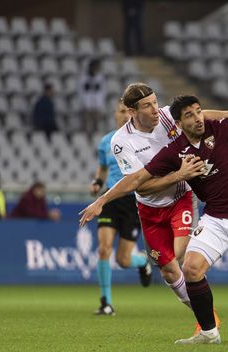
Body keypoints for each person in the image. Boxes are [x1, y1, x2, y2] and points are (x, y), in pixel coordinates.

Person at [79, 95, 228, 345]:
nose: (198, 118)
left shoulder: (223, 128)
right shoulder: (174, 152)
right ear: (178, 124)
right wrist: (101, 201)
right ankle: (208, 331)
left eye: (198, 112)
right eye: (190, 115)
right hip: (216, 218)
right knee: (191, 269)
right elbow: (137, 180)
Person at [96, 82, 228, 331]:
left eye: (154, 102)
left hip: (181, 198)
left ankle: (204, 321)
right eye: (147, 106)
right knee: (169, 272)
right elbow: (141, 186)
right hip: (149, 208)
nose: (155, 109)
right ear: (132, 111)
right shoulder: (121, 142)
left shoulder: (165, 117)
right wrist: (178, 174)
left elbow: (205, 117)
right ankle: (207, 316)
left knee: (182, 257)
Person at [90, 100, 152, 316]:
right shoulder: (107, 141)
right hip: (110, 199)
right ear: (116, 114)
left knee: (123, 260)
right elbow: (103, 167)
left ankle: (142, 260)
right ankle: (105, 302)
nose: (125, 115)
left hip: (133, 201)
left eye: (128, 111)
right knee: (103, 249)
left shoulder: (143, 138)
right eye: (121, 111)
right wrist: (98, 182)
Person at [78, 59, 106, 134]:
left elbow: (102, 92)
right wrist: (83, 103)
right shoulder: (84, 77)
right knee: (85, 123)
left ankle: (95, 136)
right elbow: (81, 91)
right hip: (86, 104)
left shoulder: (100, 77)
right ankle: (85, 137)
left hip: (96, 104)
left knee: (96, 123)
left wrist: (100, 105)